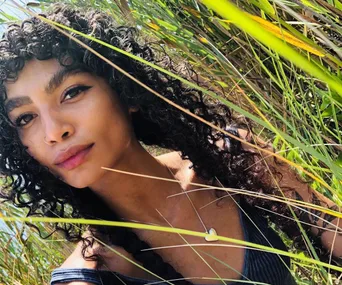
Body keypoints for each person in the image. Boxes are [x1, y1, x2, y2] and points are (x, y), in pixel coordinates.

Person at [0, 4, 340, 285]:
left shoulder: (236, 159)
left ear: (125, 89)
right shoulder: (90, 277)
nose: (53, 131)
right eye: (26, 118)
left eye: (72, 93)